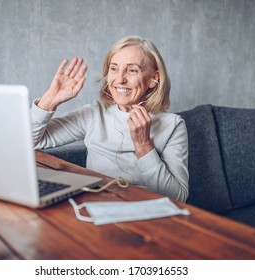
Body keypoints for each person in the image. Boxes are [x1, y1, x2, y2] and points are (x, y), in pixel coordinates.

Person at [31, 36, 189, 202]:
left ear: (153, 79)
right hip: (96, 204)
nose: (120, 79)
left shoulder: (173, 125)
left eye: (132, 70)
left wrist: (143, 146)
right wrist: (49, 100)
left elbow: (178, 197)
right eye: (114, 69)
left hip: (145, 210)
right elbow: (31, 141)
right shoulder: (94, 113)